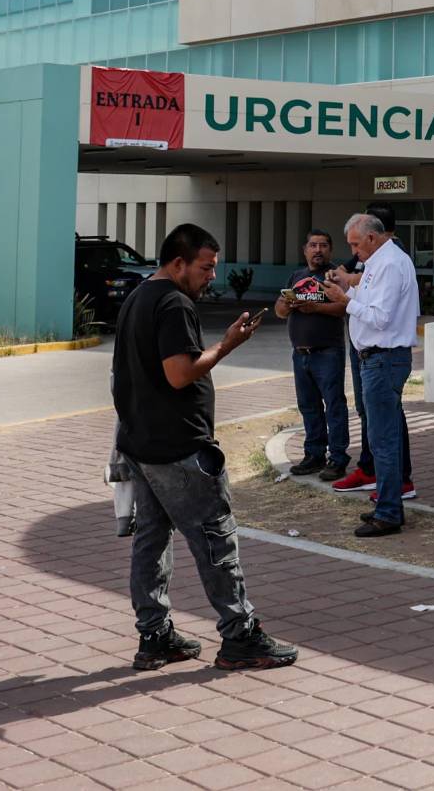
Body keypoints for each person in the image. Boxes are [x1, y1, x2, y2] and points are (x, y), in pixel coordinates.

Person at [114, 223, 297, 671]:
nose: (211, 275)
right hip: (178, 448)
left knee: (152, 542)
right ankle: (241, 635)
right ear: (178, 263)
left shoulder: (138, 296)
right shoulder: (174, 303)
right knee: (216, 538)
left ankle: (154, 635)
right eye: (205, 267)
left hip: (142, 444)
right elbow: (179, 373)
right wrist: (228, 344)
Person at [322, 213, 420, 537]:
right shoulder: (378, 262)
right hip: (376, 359)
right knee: (381, 438)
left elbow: (380, 317)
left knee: (384, 439)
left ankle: (390, 511)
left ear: (372, 238)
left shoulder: (390, 263)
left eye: (355, 244)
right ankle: (388, 506)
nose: (353, 251)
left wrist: (343, 300)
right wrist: (345, 290)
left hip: (384, 358)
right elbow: (367, 302)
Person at [274, 229, 349, 480]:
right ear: (305, 250)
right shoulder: (297, 276)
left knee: (334, 406)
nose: (318, 250)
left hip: (328, 352)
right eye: (313, 245)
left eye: (324, 245)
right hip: (300, 354)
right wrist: (287, 305)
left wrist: (314, 307)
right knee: (309, 407)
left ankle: (337, 458)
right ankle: (314, 455)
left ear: (330, 250)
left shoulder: (335, 276)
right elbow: (279, 311)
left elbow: (343, 308)